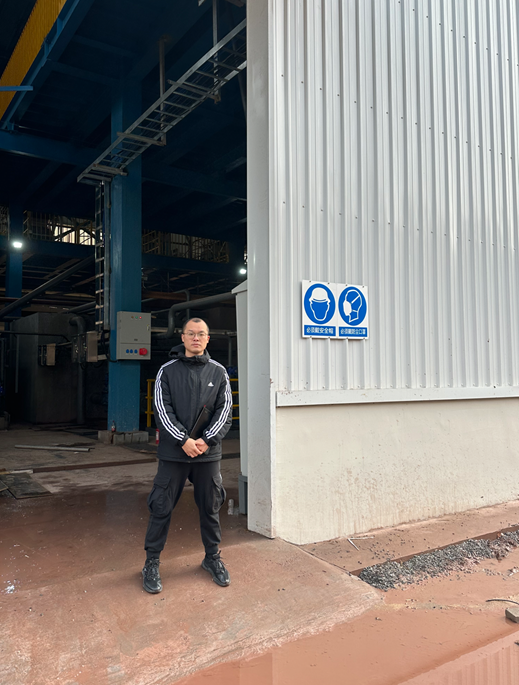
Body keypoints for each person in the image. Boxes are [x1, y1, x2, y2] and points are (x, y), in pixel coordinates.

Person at [142, 317, 233, 593]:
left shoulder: (219, 372)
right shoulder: (167, 371)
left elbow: (225, 411)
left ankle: (212, 558)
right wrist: (183, 440)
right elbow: (162, 409)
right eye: (191, 333)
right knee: (161, 506)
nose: (196, 338)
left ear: (208, 339)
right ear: (182, 337)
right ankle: (151, 562)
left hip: (207, 453)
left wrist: (205, 440)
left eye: (201, 334)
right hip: (174, 454)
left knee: (210, 507)